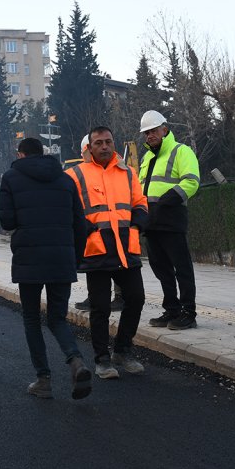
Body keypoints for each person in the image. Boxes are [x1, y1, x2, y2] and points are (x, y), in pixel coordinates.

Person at [0, 137, 94, 400]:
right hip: (61, 257)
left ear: (21, 155)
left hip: (29, 258)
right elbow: (80, 224)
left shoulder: (11, 178)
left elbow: (6, 221)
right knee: (56, 318)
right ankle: (76, 361)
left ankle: (44, 380)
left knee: (31, 318)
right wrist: (74, 259)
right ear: (43, 153)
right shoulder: (66, 180)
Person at [64, 126, 149, 379]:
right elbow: (68, 209)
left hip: (125, 247)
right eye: (99, 142)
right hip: (97, 249)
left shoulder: (127, 172)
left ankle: (122, 351)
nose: (104, 146)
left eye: (108, 142)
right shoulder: (75, 175)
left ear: (114, 144)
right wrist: (83, 228)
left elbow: (140, 202)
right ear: (89, 148)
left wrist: (138, 223)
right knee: (100, 307)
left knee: (136, 299)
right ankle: (102, 359)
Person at [137, 110, 201, 330]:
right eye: (146, 133)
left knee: (181, 268)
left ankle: (188, 313)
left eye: (153, 131)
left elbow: (191, 182)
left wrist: (166, 201)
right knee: (161, 269)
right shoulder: (147, 158)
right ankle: (171, 309)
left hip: (172, 220)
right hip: (151, 223)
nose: (149, 136)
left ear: (165, 129)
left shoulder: (181, 151)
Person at [69, 133, 125, 314]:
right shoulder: (82, 172)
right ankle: (97, 297)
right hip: (96, 233)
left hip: (116, 230)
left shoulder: (118, 170)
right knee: (97, 270)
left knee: (117, 265)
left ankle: (119, 296)